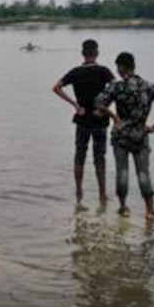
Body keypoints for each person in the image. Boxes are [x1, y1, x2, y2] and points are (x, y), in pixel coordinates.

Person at [95, 52, 154, 221]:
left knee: (122, 172)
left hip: (121, 135)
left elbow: (98, 103)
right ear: (134, 66)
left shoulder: (116, 86)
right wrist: (153, 128)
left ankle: (123, 208)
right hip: (141, 135)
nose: (117, 70)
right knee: (143, 173)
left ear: (121, 67)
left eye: (118, 67)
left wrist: (113, 117)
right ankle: (150, 210)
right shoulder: (149, 87)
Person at [52, 39, 115, 206]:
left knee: (80, 155)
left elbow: (56, 88)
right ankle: (102, 193)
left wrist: (74, 104)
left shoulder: (75, 72)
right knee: (99, 156)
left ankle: (79, 192)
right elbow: (116, 88)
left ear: (83, 53)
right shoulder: (103, 71)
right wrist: (104, 107)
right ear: (97, 53)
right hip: (100, 119)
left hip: (82, 118)